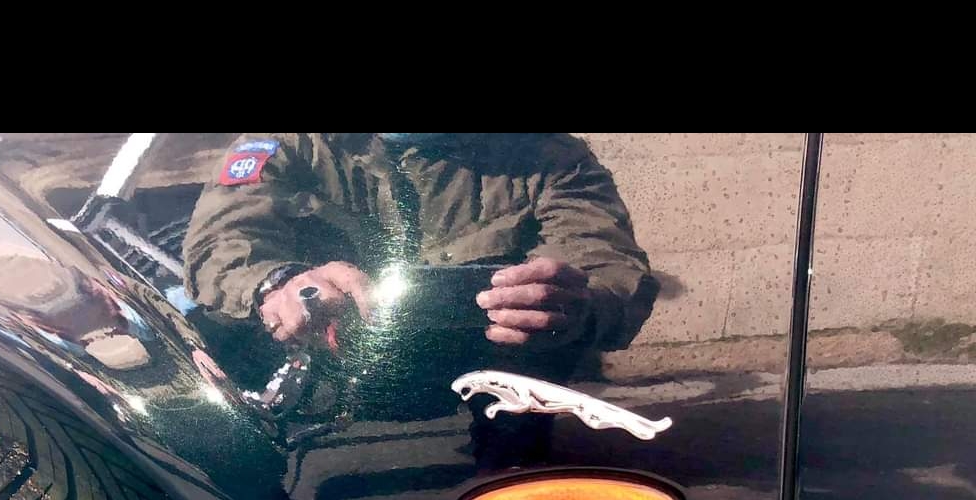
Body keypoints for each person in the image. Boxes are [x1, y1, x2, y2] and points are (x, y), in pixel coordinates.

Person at [183, 134, 657, 368]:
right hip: (324, 374)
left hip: (496, 384)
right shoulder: (290, 145)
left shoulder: (550, 157)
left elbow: (608, 268)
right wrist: (281, 284)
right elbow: (220, 243)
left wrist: (577, 306)